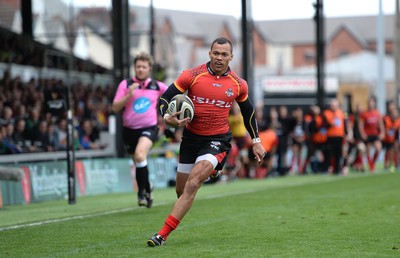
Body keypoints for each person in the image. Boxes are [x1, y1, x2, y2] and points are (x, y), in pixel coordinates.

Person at [147, 37, 266, 247]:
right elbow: (164, 99)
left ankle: (162, 235)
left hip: (217, 140)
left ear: (231, 57)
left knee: (194, 182)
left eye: (224, 54)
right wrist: (167, 118)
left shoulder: (238, 84)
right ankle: (214, 170)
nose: (219, 58)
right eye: (216, 53)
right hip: (191, 139)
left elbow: (248, 111)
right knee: (181, 192)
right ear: (209, 54)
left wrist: (256, 140)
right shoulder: (191, 76)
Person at [112, 52, 168, 208]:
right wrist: (129, 95)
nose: (141, 69)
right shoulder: (126, 84)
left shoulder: (157, 86)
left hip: (149, 128)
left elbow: (174, 94)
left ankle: (141, 193)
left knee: (140, 154)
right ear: (134, 68)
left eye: (144, 67)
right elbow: (115, 107)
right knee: (139, 161)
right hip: (129, 130)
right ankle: (148, 188)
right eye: (138, 66)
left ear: (149, 69)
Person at [358, 96, 384, 172]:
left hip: (375, 134)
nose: (370, 104)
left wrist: (382, 132)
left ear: (374, 104)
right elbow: (361, 125)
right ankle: (371, 167)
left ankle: (373, 162)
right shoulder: (364, 114)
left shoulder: (377, 113)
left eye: (372, 103)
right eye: (369, 103)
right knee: (368, 150)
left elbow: (380, 123)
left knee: (378, 148)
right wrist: (363, 134)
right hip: (368, 134)